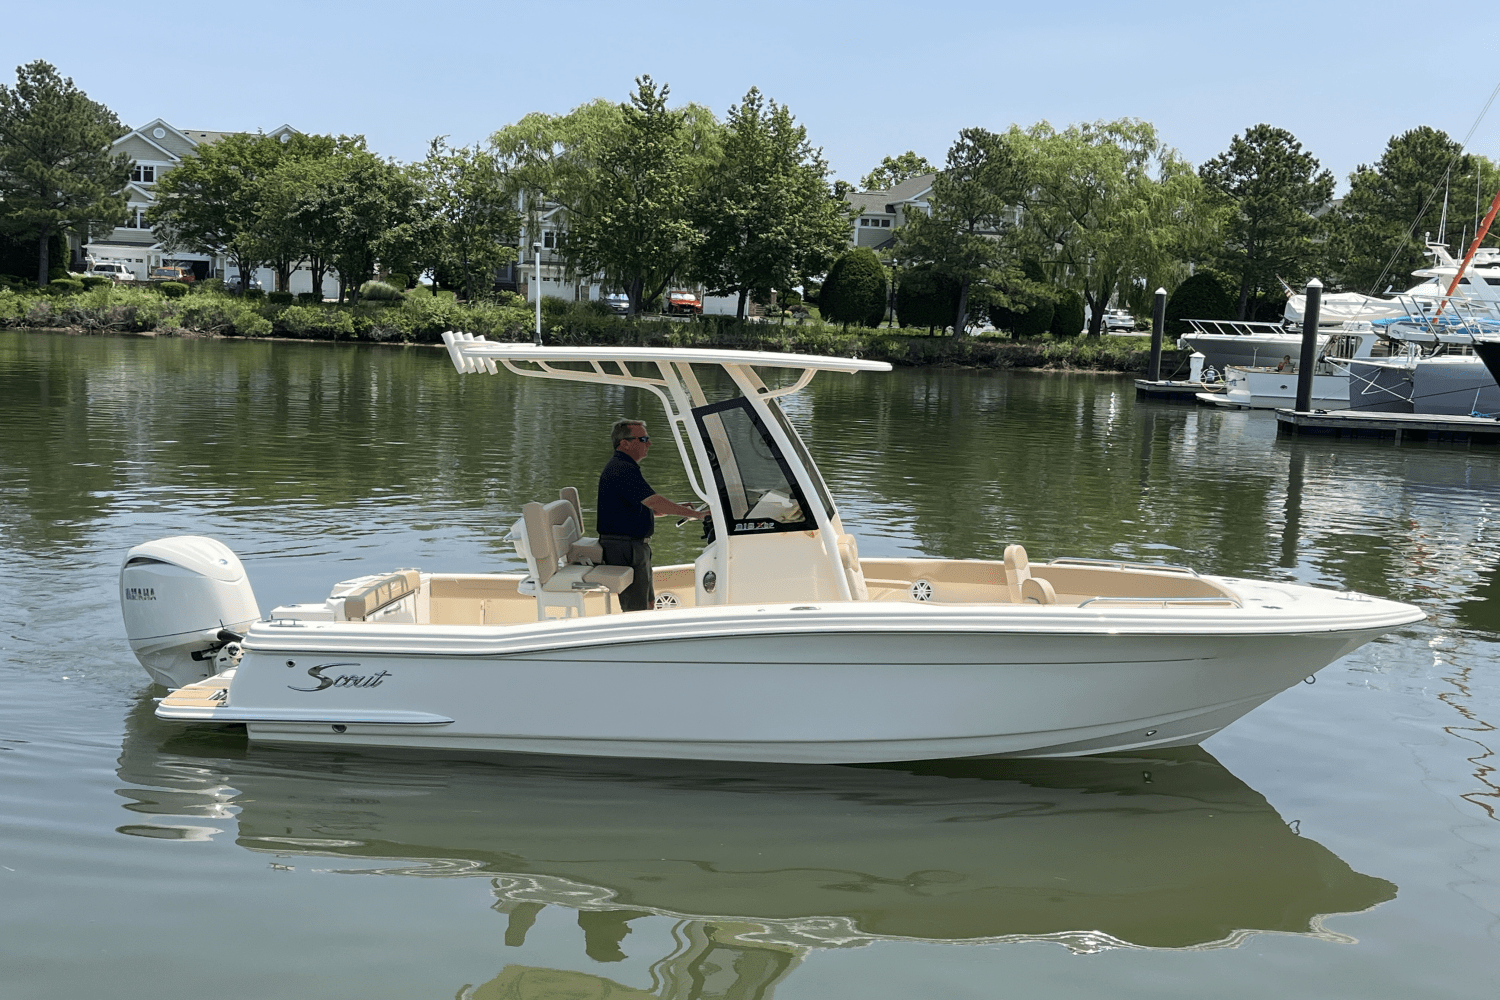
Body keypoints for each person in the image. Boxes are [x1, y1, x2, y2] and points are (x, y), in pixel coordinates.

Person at [596, 418, 704, 612]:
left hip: (634, 546)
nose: (649, 443)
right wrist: (697, 514)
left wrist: (677, 509)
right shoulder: (622, 468)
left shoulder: (625, 466)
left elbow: (646, 506)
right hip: (625, 548)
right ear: (625, 443)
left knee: (648, 604)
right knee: (637, 611)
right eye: (643, 439)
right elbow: (653, 501)